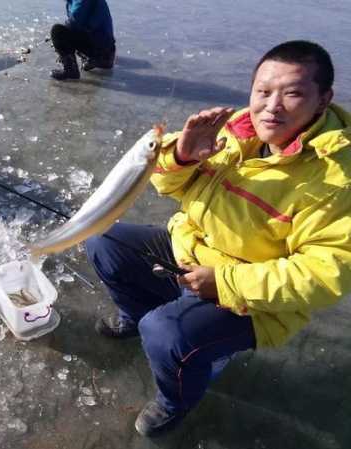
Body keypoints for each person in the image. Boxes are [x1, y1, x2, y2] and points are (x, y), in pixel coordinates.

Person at [85, 40, 351, 437]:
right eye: (262, 91)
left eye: (292, 93)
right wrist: (183, 157)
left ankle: (175, 400)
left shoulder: (336, 177)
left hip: (255, 298)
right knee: (103, 240)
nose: (271, 106)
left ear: (322, 99)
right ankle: (136, 316)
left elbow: (328, 273)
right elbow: (166, 185)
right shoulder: (238, 126)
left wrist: (224, 281)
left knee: (165, 332)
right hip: (189, 253)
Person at [50, 0, 116, 81]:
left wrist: (59, 41)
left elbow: (74, 22)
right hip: (106, 46)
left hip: (101, 46)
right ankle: (100, 59)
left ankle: (71, 71)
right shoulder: (70, 2)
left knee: (57, 31)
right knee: (64, 34)